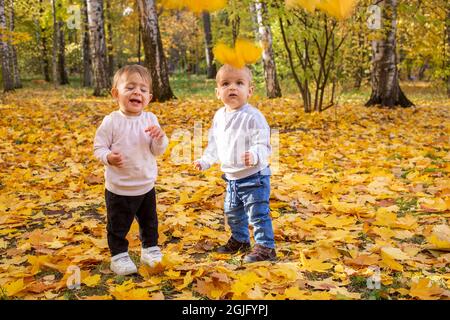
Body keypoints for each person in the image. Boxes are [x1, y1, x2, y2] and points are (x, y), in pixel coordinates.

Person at [193, 64, 276, 263]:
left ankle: (266, 247)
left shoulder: (253, 116)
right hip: (231, 178)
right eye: (226, 84)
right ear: (217, 92)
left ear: (249, 91)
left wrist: (255, 154)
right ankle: (240, 240)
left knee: (257, 213)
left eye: (239, 83)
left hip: (254, 177)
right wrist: (206, 161)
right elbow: (215, 144)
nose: (232, 88)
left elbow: (263, 144)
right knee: (233, 212)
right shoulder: (219, 116)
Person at [94, 65, 168, 275]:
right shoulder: (112, 121)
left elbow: (157, 150)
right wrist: (107, 157)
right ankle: (118, 256)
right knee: (118, 225)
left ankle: (150, 250)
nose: (137, 92)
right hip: (119, 188)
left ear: (149, 97)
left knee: (150, 222)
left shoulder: (150, 120)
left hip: (146, 185)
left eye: (143, 90)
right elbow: (98, 147)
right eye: (130, 87)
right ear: (116, 93)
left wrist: (160, 138)